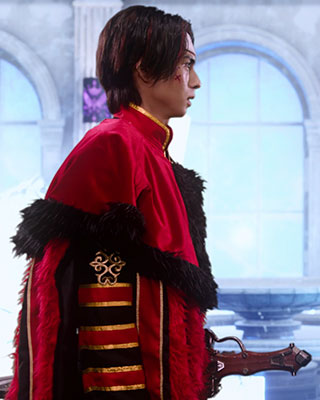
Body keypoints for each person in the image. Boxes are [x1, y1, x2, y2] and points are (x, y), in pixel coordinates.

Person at [6, 5, 217, 399]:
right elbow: (100, 292)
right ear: (143, 68)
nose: (196, 81)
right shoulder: (114, 144)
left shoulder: (154, 152)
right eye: (186, 64)